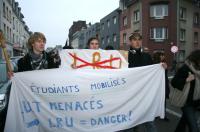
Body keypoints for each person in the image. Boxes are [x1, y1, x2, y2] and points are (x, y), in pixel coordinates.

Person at [122, 32, 167, 132]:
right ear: (130, 42)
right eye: (134, 39)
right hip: (130, 94)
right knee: (130, 122)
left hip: (144, 94)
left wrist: (161, 67)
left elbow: (153, 72)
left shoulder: (146, 56)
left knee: (148, 121)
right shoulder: (125, 56)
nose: (137, 42)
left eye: (139, 39)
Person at [171, 50, 200, 132]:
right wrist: (187, 79)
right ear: (196, 59)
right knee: (194, 128)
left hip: (196, 101)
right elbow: (174, 82)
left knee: (184, 122)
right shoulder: (185, 68)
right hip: (186, 102)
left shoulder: (198, 70)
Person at [153, 51, 170, 121]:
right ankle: (156, 114)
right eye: (161, 55)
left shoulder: (164, 64)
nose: (163, 56)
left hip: (164, 84)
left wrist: (166, 68)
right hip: (156, 85)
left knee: (163, 100)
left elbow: (165, 75)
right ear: (158, 56)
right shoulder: (154, 64)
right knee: (156, 100)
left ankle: (163, 114)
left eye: (163, 55)